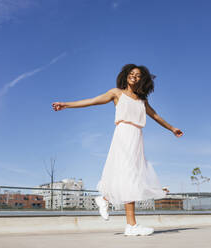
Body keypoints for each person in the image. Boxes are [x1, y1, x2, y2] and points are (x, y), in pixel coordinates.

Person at [52, 64, 183, 236]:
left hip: (137, 137)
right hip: (124, 134)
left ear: (142, 79)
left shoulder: (142, 100)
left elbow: (156, 115)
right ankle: (129, 223)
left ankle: (110, 205)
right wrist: (67, 104)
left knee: (132, 177)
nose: (134, 77)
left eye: (137, 75)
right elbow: (92, 101)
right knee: (130, 175)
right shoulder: (117, 93)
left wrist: (172, 128)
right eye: (131, 74)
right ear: (126, 76)